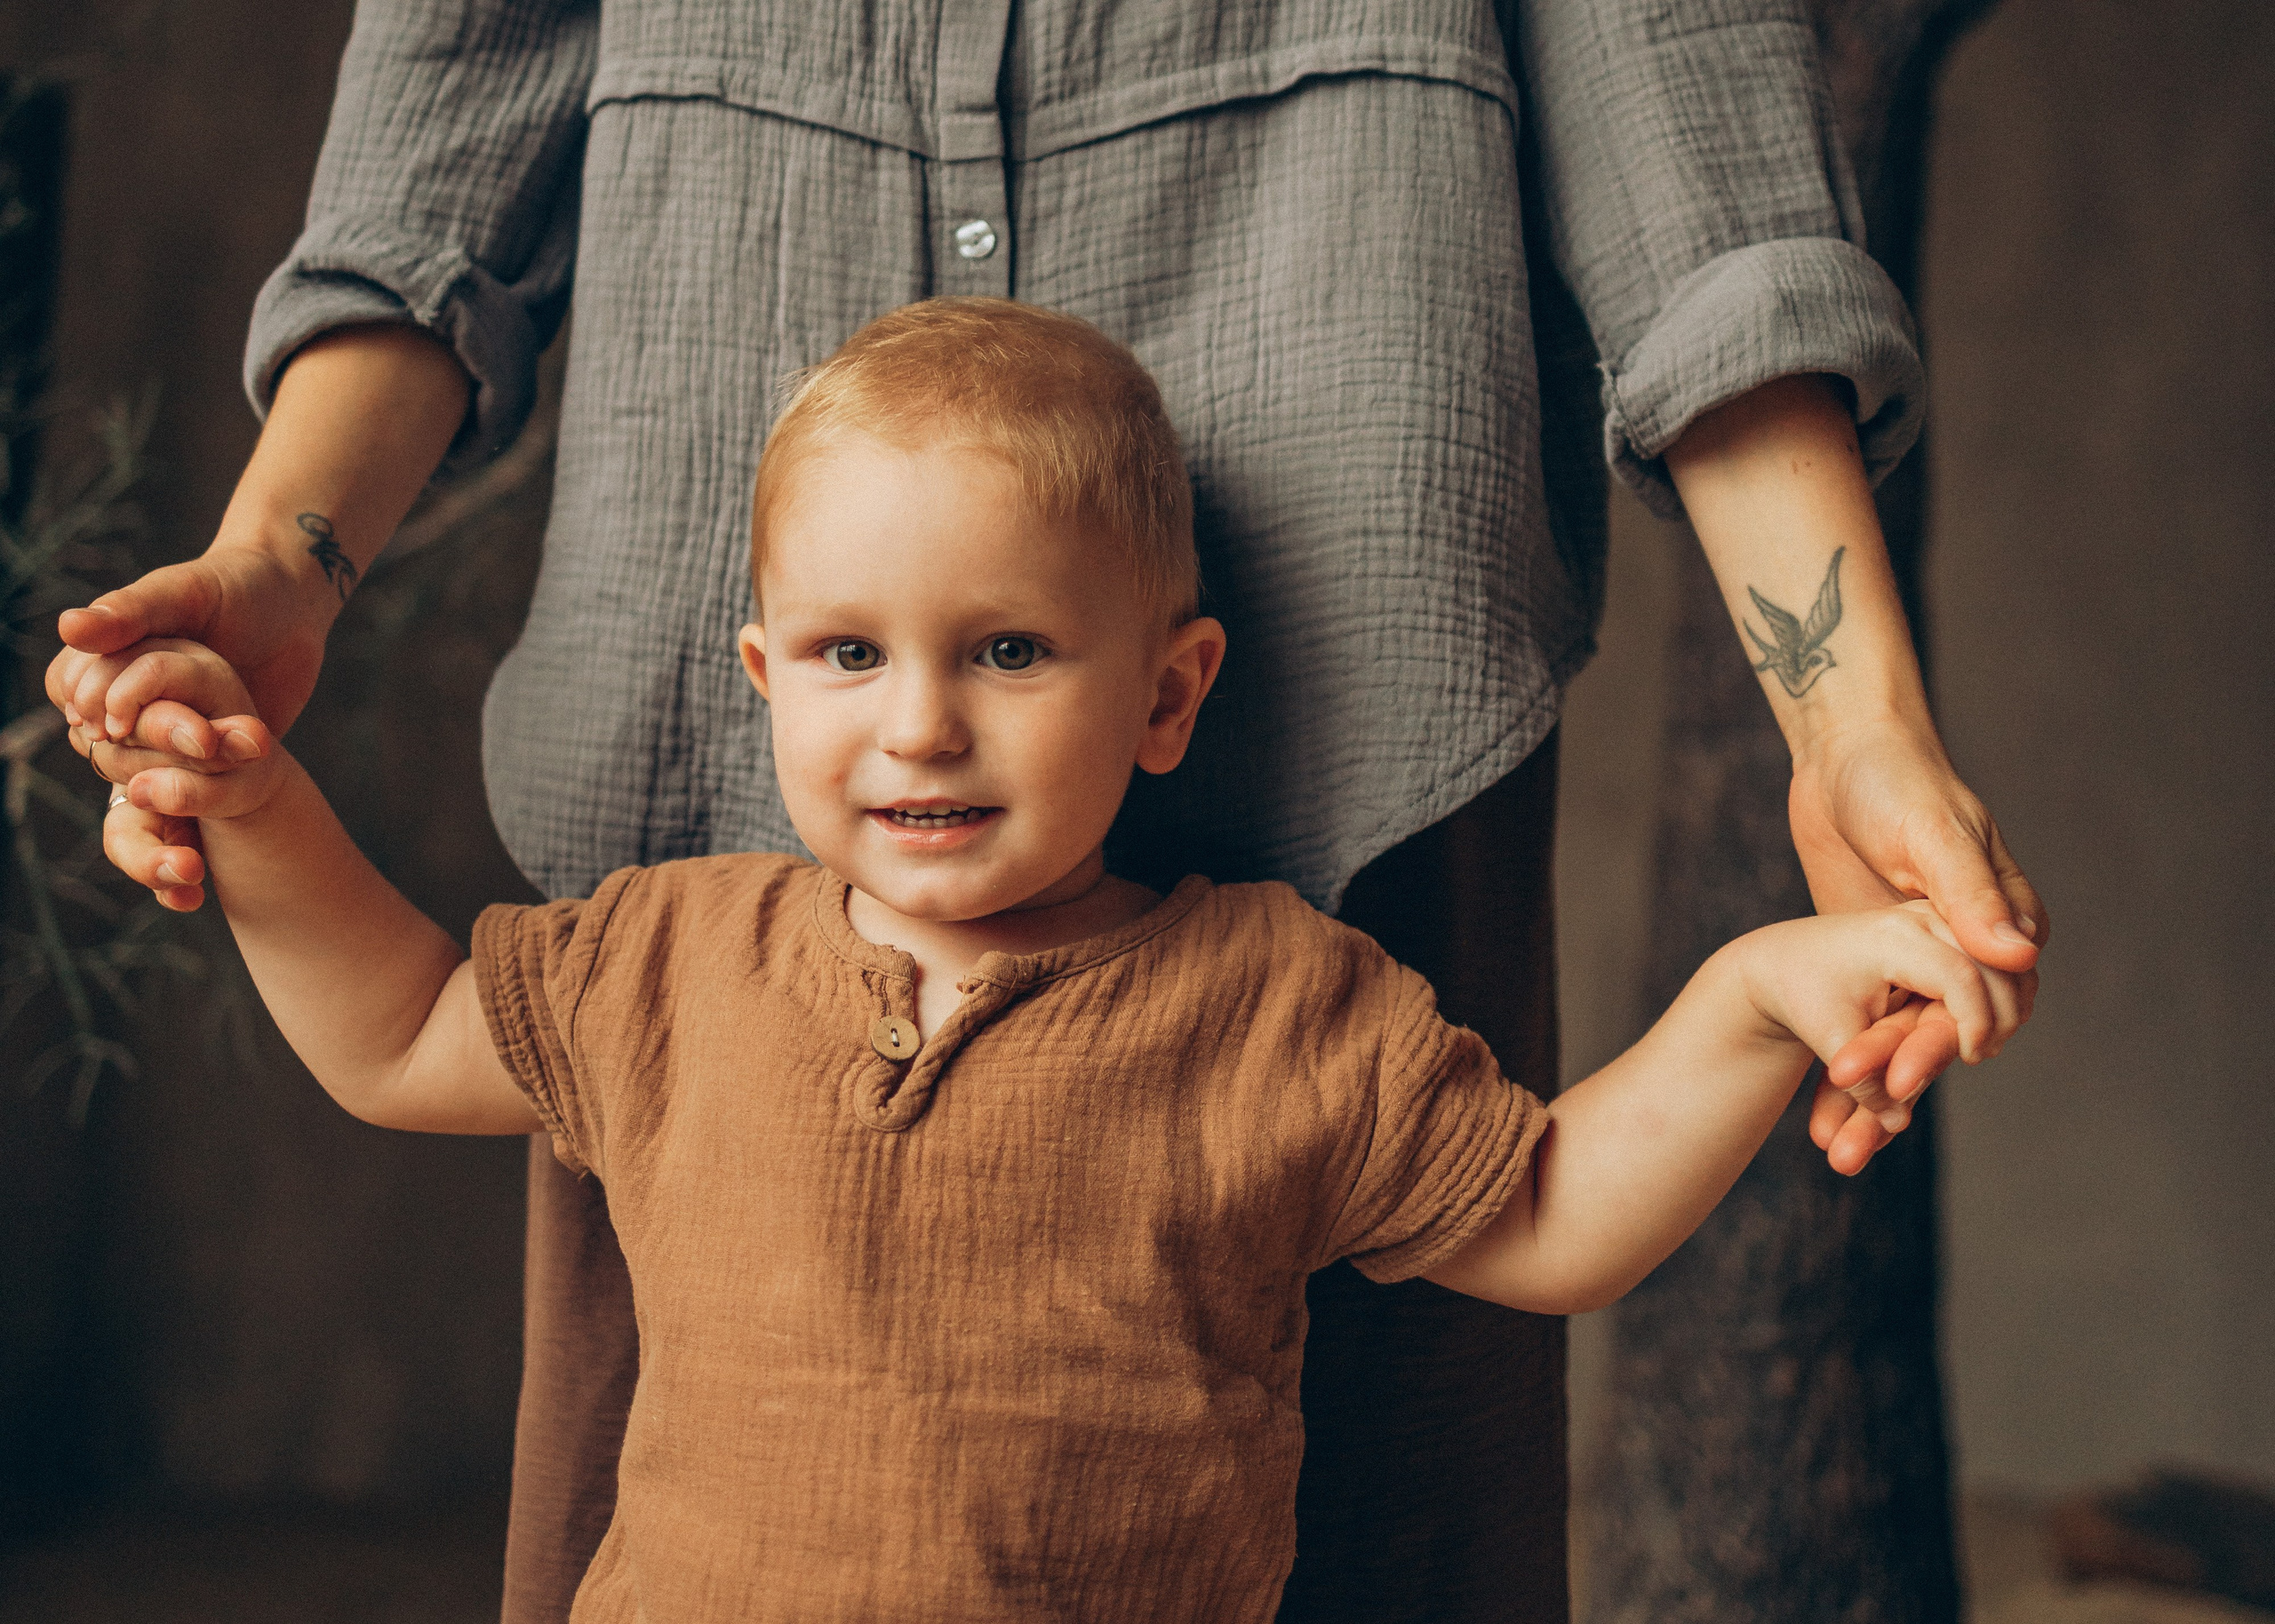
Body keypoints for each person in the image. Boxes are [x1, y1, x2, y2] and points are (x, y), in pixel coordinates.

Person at [48, 4, 2047, 1618]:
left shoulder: (1278, 1005)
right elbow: (399, 1025)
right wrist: (256, 782)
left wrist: (1755, 985)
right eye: (848, 656)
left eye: (1006, 654)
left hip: (1382, 739)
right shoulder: (667, 966)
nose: (920, 727)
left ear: (1172, 692)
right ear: (762, 675)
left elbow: (1539, 1205)